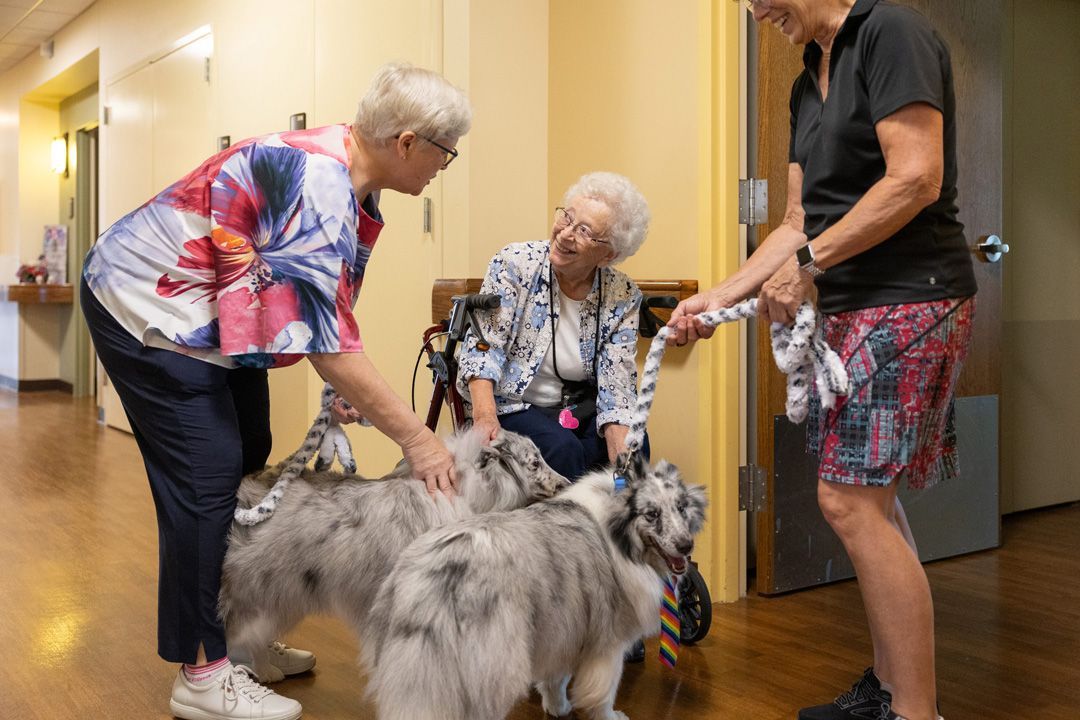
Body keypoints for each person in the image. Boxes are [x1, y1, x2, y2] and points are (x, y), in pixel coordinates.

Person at [81, 62, 471, 720]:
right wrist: (418, 439)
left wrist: (352, 387)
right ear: (407, 142)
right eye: (444, 151)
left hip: (211, 316)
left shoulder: (351, 178)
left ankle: (240, 640)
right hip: (144, 309)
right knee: (205, 484)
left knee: (247, 455)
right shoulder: (319, 181)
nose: (444, 165)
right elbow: (328, 347)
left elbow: (326, 308)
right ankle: (201, 674)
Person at [670, 2, 976, 719]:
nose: (753, 10)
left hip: (912, 296)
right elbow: (797, 223)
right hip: (852, 303)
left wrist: (807, 265)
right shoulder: (807, 80)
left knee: (847, 500)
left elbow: (915, 177)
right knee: (866, 501)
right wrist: (719, 297)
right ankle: (891, 689)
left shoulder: (890, 34)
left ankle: (915, 712)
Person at [459, 171, 651, 482]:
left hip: (576, 408)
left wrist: (625, 476)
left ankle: (615, 526)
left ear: (608, 255)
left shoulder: (623, 295)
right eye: (567, 217)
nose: (565, 234)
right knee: (562, 451)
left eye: (584, 230)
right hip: (511, 405)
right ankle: (563, 531)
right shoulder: (515, 264)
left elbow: (617, 391)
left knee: (634, 449)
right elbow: (484, 348)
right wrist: (484, 417)